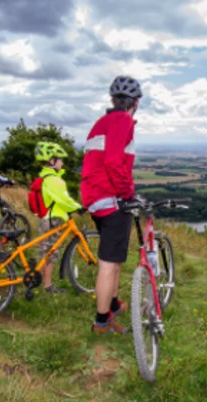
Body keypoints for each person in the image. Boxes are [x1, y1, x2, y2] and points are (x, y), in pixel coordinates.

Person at [81, 75, 142, 334]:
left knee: (115, 257)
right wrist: (128, 193)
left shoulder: (102, 122)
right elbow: (115, 162)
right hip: (111, 198)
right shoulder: (123, 120)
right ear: (135, 102)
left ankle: (114, 303)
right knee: (108, 262)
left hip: (95, 197)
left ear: (112, 100)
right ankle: (102, 321)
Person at [34, 141, 82, 294]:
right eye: (60, 159)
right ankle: (48, 286)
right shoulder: (55, 180)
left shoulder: (45, 177)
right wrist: (78, 207)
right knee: (51, 252)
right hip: (53, 219)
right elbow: (64, 200)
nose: (62, 162)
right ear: (52, 161)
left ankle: (41, 281)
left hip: (45, 218)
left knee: (45, 250)